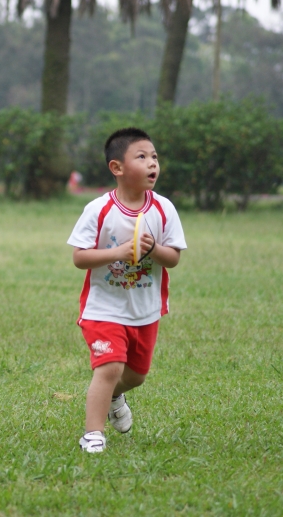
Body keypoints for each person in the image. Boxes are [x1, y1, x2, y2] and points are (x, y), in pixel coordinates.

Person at [67, 128, 187, 453]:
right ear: (117, 168)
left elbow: (173, 258)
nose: (153, 164)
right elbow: (80, 258)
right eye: (142, 157)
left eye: (155, 157)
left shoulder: (163, 209)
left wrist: (154, 251)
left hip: (144, 310)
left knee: (135, 377)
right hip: (103, 308)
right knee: (109, 367)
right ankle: (93, 434)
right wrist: (117, 253)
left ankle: (115, 397)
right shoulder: (98, 210)